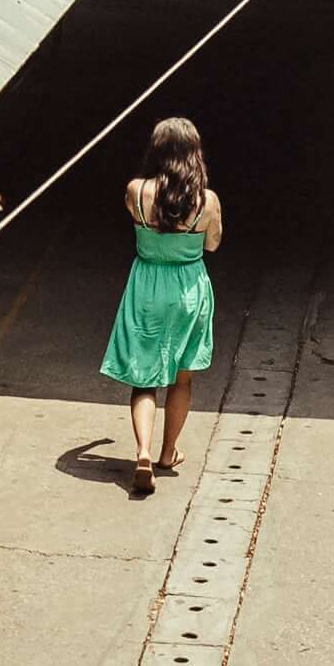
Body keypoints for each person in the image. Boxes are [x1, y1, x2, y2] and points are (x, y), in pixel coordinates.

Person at [101, 117, 221, 498]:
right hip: (188, 288)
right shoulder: (207, 200)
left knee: (145, 377)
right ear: (193, 153)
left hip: (147, 286)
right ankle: (168, 453)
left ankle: (142, 452)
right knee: (182, 378)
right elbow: (213, 245)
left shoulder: (135, 191)